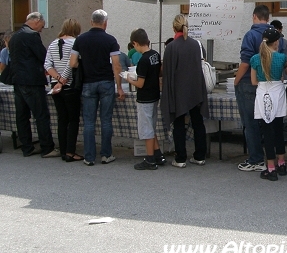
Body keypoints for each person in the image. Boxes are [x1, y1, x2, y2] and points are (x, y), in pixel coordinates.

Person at [70, 9, 125, 166]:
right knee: (106, 120)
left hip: (88, 82)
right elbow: (116, 65)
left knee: (89, 121)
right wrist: (119, 87)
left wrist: (85, 63)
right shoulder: (110, 40)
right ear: (105, 23)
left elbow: (72, 63)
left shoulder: (80, 40)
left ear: (91, 22)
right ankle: (106, 154)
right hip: (106, 82)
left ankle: (89, 156)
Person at [161, 14, 209, 168]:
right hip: (195, 88)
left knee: (179, 124)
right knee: (198, 122)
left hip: (178, 90)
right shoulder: (196, 45)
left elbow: (167, 73)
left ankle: (180, 158)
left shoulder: (171, 47)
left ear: (174, 27)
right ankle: (200, 155)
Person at [9, 12, 59, 157]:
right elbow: (43, 56)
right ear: (36, 21)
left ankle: (27, 147)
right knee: (41, 115)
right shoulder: (31, 36)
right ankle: (47, 147)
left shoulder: (15, 36)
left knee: (22, 115)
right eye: (42, 26)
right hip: (32, 81)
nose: (41, 30)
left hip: (17, 80)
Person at [234, 5, 273, 172]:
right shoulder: (273, 35)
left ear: (254, 17)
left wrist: (236, 80)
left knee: (250, 122)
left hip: (249, 82)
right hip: (269, 83)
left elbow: (245, 62)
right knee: (267, 121)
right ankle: (271, 158)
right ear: (268, 17)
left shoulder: (250, 35)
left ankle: (256, 158)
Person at [250, 27, 287, 181]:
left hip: (263, 92)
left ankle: (270, 167)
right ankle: (282, 163)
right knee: (279, 129)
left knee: (267, 131)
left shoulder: (255, 59)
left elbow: (253, 81)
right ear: (276, 42)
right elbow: (285, 75)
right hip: (278, 93)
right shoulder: (282, 58)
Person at [126, 28, 166, 170]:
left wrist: (129, 79)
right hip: (154, 94)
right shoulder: (155, 54)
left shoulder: (143, 60)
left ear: (135, 43)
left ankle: (149, 159)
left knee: (146, 128)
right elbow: (159, 72)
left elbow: (140, 83)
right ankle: (158, 154)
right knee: (151, 125)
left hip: (144, 98)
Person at [44, 19, 83, 162]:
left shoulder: (53, 43)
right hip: (70, 85)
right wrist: (63, 79)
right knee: (73, 120)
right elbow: (71, 63)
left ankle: (62, 149)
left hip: (55, 85)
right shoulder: (75, 43)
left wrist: (57, 79)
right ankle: (70, 151)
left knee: (62, 119)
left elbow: (47, 64)